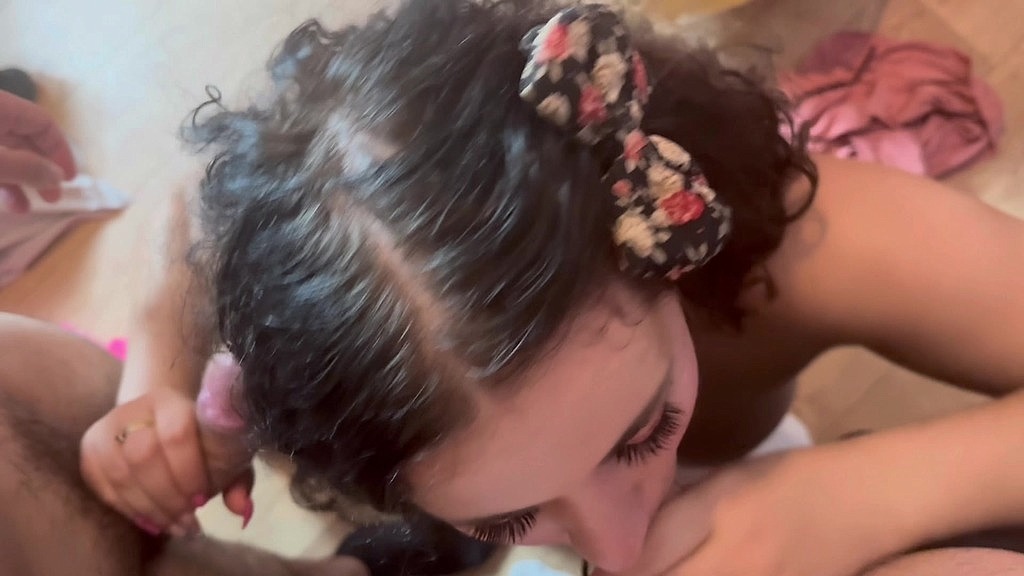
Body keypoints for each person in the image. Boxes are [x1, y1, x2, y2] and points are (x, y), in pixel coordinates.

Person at [1, 1, 1022, 575]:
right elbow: (203, 197)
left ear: (664, 251)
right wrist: (158, 374)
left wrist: (846, 497)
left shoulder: (802, 252)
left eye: (642, 433)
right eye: (504, 513)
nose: (620, 555)